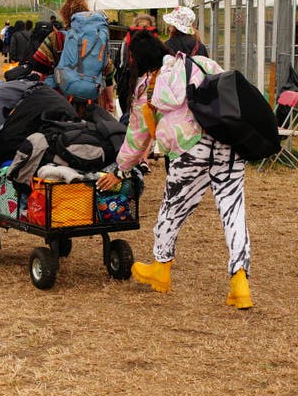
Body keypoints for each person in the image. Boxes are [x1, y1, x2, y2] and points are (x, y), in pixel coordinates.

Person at [96, 27, 254, 309]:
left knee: (172, 208)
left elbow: (137, 137)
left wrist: (119, 170)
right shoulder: (199, 63)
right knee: (233, 209)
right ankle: (240, 280)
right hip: (228, 141)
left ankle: (161, 267)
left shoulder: (146, 88)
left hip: (189, 148)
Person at [29, 0, 116, 113]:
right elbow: (108, 71)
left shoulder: (56, 38)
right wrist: (111, 100)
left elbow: (38, 68)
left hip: (62, 101)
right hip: (92, 101)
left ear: (65, 15)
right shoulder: (97, 38)